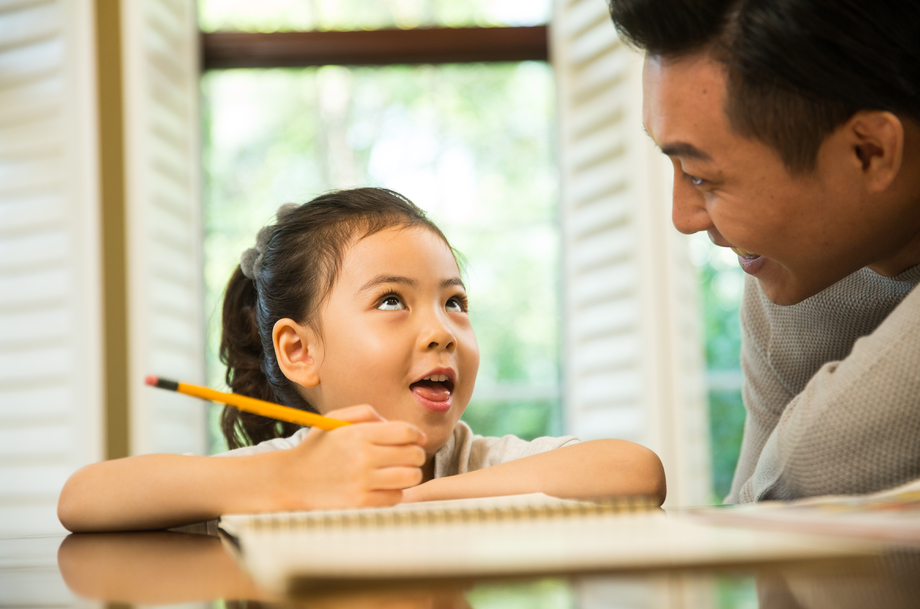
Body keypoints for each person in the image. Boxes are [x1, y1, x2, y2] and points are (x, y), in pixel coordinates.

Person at [58, 188, 666, 532]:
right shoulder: (288, 471)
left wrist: (414, 503)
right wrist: (291, 482)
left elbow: (635, 472)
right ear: (300, 351)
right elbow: (84, 498)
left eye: (455, 302)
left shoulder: (473, 462)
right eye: (392, 300)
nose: (442, 331)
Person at [606, 0, 920, 503]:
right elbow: (753, 518)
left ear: (870, 151)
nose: (683, 218)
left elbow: (808, 467)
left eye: (701, 176)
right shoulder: (794, 282)